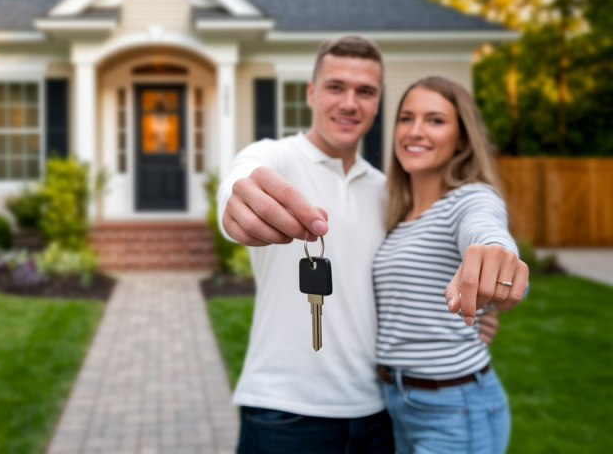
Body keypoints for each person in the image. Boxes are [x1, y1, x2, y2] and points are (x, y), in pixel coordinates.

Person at [217, 35, 527, 453]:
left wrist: (490, 272)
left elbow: (476, 225)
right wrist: (236, 202)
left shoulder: (388, 194)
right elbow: (242, 179)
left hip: (378, 410)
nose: (349, 103)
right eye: (335, 87)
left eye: (365, 91)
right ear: (311, 93)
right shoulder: (275, 158)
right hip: (285, 409)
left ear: (378, 102)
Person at [374, 76, 526, 454]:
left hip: (455, 407)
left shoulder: (469, 198)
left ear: (461, 139)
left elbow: (483, 225)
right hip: (397, 402)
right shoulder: (399, 217)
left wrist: (494, 255)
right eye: (406, 118)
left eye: (435, 120)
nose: (415, 130)